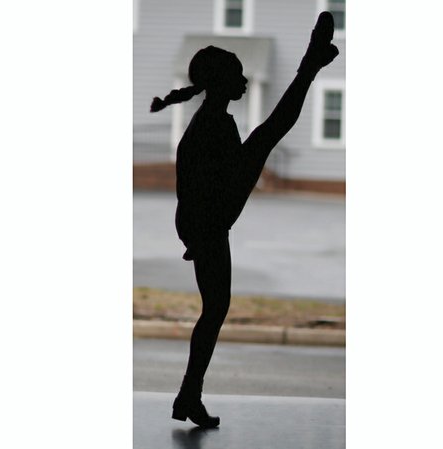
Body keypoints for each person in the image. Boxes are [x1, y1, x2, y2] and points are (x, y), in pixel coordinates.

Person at [149, 12, 339, 428]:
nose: (245, 80)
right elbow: (190, 182)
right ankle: (188, 395)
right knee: (215, 309)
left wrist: (197, 231)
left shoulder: (214, 121)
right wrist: (197, 236)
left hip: (210, 219)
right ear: (219, 82)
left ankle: (188, 396)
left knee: (215, 309)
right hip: (209, 221)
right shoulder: (207, 127)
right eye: (237, 74)